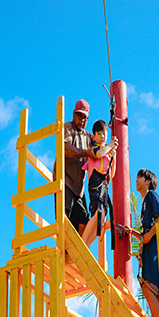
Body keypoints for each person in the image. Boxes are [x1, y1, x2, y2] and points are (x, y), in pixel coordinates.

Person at [121, 169, 159, 317]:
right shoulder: (144, 203)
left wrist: (147, 236)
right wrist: (134, 233)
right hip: (151, 250)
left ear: (148, 181)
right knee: (154, 291)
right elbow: (147, 231)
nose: (136, 180)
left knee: (149, 288)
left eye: (139, 177)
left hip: (154, 250)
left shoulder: (151, 196)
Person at [61, 99, 96, 235]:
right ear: (73, 115)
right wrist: (86, 153)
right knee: (64, 215)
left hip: (79, 187)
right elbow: (65, 148)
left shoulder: (88, 136)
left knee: (83, 220)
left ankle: (76, 251)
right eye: (79, 116)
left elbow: (99, 144)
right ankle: (64, 247)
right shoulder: (67, 128)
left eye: (84, 117)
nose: (81, 120)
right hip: (65, 179)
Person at [81, 120, 118, 248]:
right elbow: (99, 154)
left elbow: (111, 174)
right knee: (98, 213)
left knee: (101, 219)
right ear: (95, 135)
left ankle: (86, 245)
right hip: (96, 183)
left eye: (104, 134)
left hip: (104, 185)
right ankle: (83, 242)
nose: (102, 136)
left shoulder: (107, 152)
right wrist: (110, 146)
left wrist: (114, 156)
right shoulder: (95, 148)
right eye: (100, 134)